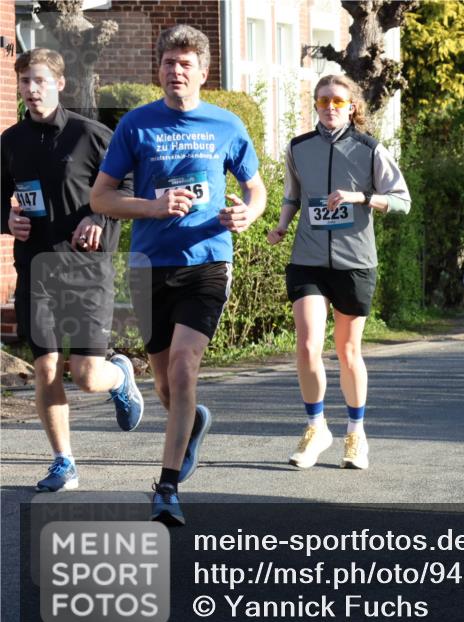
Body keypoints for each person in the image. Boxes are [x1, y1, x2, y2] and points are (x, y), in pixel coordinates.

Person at [90, 25, 267, 525]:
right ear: (159, 70)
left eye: (185, 63)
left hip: (208, 259)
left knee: (186, 367)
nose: (176, 71)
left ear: (203, 72)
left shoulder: (227, 125)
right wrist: (152, 205)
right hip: (149, 264)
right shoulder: (136, 125)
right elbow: (100, 198)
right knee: (166, 382)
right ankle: (192, 425)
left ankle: (166, 487)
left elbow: (257, 190)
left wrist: (247, 215)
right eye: (168, 62)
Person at [1, 48, 143, 493]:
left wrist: (99, 218)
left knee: (84, 374)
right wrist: (6, 220)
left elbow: (133, 186)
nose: (31, 89)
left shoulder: (93, 135)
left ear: (60, 84)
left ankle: (119, 376)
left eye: (40, 80)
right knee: (44, 367)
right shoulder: (10, 142)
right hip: (35, 268)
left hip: (87, 270)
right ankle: (64, 462)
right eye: (25, 82)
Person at [266, 74, 411, 470]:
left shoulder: (369, 149)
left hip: (355, 262)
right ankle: (316, 427)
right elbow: (293, 195)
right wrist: (281, 226)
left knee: (348, 351)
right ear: (315, 104)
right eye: (323, 100)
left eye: (337, 101)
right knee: (309, 344)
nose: (330, 107)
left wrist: (362, 197)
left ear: (352, 107)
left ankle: (355, 433)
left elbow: (403, 201)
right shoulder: (299, 148)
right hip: (308, 258)